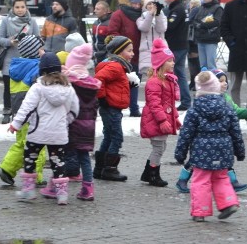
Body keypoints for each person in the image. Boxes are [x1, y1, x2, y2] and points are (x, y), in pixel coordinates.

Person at [174, 70, 246, 222]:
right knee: (221, 178)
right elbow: (236, 132)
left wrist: (180, 153)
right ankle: (228, 203)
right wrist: (240, 151)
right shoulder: (227, 108)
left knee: (200, 180)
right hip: (223, 149)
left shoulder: (194, 110)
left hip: (202, 151)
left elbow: (186, 134)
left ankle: (201, 211)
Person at [9, 52, 79, 204]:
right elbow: (74, 110)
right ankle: (62, 194)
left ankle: (28, 190)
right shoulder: (69, 89)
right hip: (59, 134)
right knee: (58, 161)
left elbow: (26, 108)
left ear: (42, 70)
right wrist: (65, 122)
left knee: (30, 159)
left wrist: (16, 124)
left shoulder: (37, 88)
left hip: (37, 133)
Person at [0, 34, 48, 186]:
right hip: (33, 115)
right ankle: (36, 176)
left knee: (21, 143)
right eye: (42, 48)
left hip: (19, 113)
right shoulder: (37, 68)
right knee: (38, 145)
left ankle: (7, 169)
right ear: (36, 51)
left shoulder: (17, 66)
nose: (44, 51)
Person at [94, 35, 139, 181]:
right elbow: (99, 79)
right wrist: (102, 98)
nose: (132, 54)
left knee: (108, 136)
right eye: (129, 51)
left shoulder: (118, 66)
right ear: (119, 52)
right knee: (116, 137)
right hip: (111, 107)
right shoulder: (115, 66)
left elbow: (114, 84)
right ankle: (110, 169)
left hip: (113, 107)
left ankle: (99, 168)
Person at [62, 43, 100, 201]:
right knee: (84, 157)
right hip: (88, 127)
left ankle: (56, 185)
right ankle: (88, 188)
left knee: (61, 155)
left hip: (73, 125)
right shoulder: (92, 85)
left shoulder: (72, 85)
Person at [139, 39, 180, 187]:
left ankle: (148, 172)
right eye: (169, 61)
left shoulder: (167, 80)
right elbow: (154, 105)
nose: (173, 63)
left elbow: (170, 104)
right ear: (161, 63)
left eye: (173, 60)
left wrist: (175, 118)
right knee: (158, 148)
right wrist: (163, 121)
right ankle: (153, 175)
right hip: (156, 121)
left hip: (162, 120)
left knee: (161, 147)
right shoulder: (155, 82)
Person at [0, 0, 40, 123]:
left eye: (22, 7)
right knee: (8, 87)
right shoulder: (6, 20)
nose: (20, 10)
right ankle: (7, 111)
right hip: (10, 59)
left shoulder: (32, 21)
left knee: (26, 88)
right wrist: (10, 42)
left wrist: (29, 43)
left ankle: (23, 112)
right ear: (13, 8)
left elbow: (38, 39)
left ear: (26, 7)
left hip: (28, 61)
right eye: (17, 7)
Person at [109, 0, 143, 116]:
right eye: (134, 3)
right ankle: (118, 107)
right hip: (122, 55)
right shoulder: (118, 15)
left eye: (139, 4)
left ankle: (134, 108)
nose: (137, 6)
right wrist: (125, 45)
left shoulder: (142, 15)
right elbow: (112, 32)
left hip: (138, 54)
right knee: (121, 83)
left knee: (135, 81)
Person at [163, 0, 192, 111]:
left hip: (176, 46)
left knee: (170, 74)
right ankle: (185, 101)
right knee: (180, 74)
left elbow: (170, 26)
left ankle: (172, 99)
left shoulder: (176, 10)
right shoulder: (182, 8)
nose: (165, 1)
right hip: (182, 45)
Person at [136, 0, 167, 77]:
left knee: (162, 76)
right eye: (149, 4)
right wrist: (150, 15)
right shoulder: (141, 18)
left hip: (161, 50)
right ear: (145, 6)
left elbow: (161, 29)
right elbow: (144, 28)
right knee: (150, 77)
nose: (151, 6)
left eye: (153, 4)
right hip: (146, 51)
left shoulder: (162, 16)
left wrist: (158, 14)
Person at [192, 0, 224, 71]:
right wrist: (197, 25)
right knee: (203, 66)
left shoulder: (218, 8)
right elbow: (195, 20)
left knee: (211, 65)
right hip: (201, 39)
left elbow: (217, 22)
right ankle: (204, 82)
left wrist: (202, 25)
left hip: (211, 39)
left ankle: (212, 82)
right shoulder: (201, 7)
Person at [186, 0, 201, 90]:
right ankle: (194, 82)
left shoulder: (194, 10)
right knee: (195, 60)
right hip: (195, 38)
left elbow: (189, 21)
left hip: (192, 38)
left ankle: (193, 82)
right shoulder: (200, 10)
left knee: (193, 61)